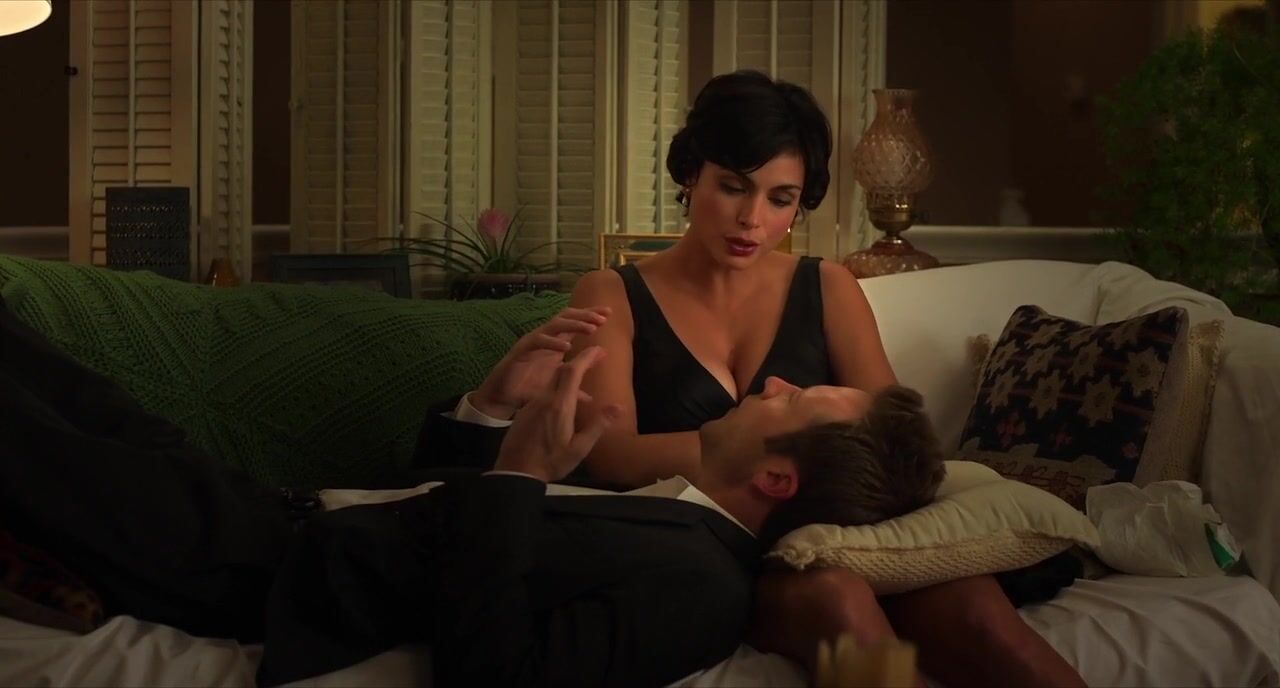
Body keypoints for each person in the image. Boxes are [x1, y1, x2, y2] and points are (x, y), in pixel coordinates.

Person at [0, 299, 944, 687]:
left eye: (798, 398)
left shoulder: (699, 588)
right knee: (58, 379)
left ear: (777, 478)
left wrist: (523, 477)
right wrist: (487, 411)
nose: (774, 381)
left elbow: (493, 673)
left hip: (250, 576)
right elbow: (433, 516)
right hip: (259, 509)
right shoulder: (671, 509)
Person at [566, 70, 1087, 687]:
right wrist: (789, 451)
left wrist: (791, 455)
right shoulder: (612, 293)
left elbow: (891, 433)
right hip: (710, 547)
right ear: (690, 176)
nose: (752, 219)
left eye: (780, 199)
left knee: (971, 604)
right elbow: (612, 456)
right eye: (732, 188)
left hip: (834, 531)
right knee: (836, 597)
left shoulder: (828, 286)